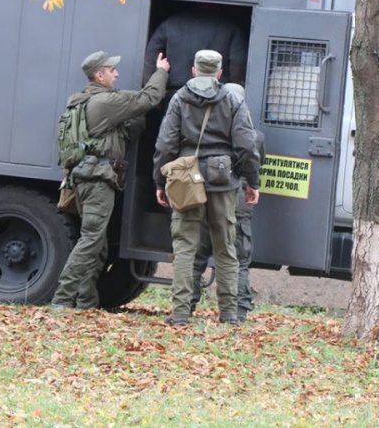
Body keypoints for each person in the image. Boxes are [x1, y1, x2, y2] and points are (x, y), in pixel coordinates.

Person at [51, 51, 170, 309]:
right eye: (111, 70)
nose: (116, 74)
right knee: (91, 240)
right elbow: (148, 97)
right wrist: (161, 71)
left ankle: (86, 301)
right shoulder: (104, 102)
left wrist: (136, 114)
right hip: (97, 180)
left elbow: (128, 132)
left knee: (98, 244)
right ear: (99, 75)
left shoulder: (81, 103)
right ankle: (62, 299)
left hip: (85, 179)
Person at [153, 50, 261, 326]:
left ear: (193, 70)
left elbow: (165, 144)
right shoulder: (233, 100)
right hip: (223, 182)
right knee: (226, 248)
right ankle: (229, 313)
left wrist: (160, 180)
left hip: (187, 179)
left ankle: (179, 313)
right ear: (219, 73)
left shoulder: (179, 99)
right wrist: (252, 182)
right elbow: (247, 145)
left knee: (185, 247)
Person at [190, 83, 266, 323]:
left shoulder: (208, 132)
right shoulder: (256, 136)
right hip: (238, 201)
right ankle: (238, 312)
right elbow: (255, 163)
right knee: (239, 258)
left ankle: (185, 308)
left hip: (208, 196)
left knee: (197, 256)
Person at [142, 7, 247, 91]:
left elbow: (151, 59)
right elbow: (238, 64)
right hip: (215, 93)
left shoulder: (169, 24)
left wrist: (153, 91)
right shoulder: (230, 27)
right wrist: (234, 89)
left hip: (175, 91)